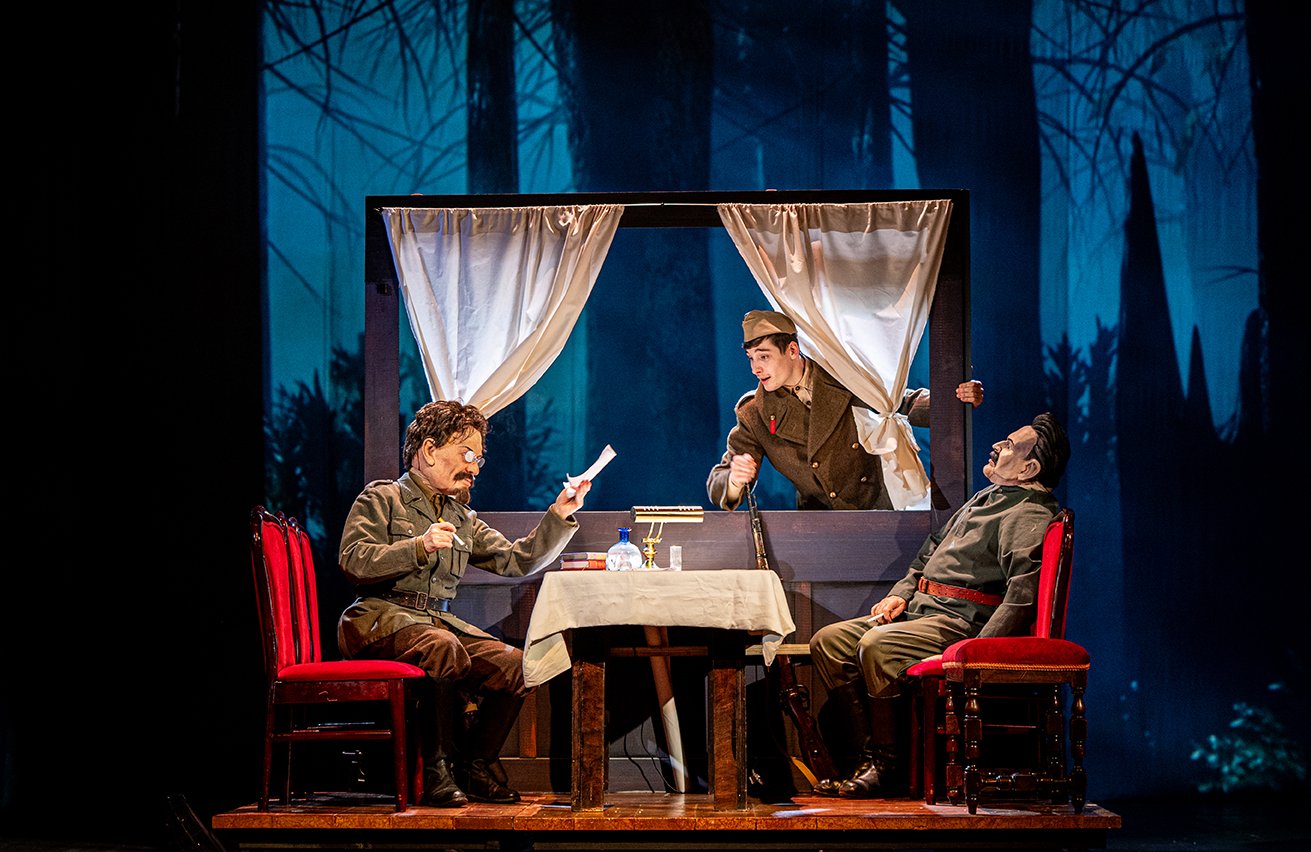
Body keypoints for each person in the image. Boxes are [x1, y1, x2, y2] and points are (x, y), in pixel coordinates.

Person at [337, 400, 591, 807]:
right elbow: (354, 560)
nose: (474, 468)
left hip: (435, 625)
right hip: (380, 620)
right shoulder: (383, 498)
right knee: (443, 647)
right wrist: (417, 546)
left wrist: (559, 514)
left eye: (479, 458)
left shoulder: (462, 518)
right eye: (467, 454)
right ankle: (436, 771)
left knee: (517, 667)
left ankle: (475, 765)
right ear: (429, 450)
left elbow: (516, 559)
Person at [807, 411, 1071, 798]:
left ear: (1029, 468)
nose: (997, 446)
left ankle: (887, 766)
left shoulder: (1027, 511)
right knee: (829, 642)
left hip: (960, 621)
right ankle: (867, 759)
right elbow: (930, 551)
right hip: (922, 609)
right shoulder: (988, 497)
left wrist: (981, 648)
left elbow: (1022, 595)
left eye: (1009, 445)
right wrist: (901, 593)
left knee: (878, 646)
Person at [706, 309, 984, 511]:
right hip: (820, 525)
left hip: (879, 508)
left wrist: (954, 399)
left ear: (792, 350)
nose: (755, 368)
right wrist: (735, 480)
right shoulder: (754, 412)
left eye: (764, 357)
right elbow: (721, 478)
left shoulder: (841, 375)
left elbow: (902, 402)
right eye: (751, 358)